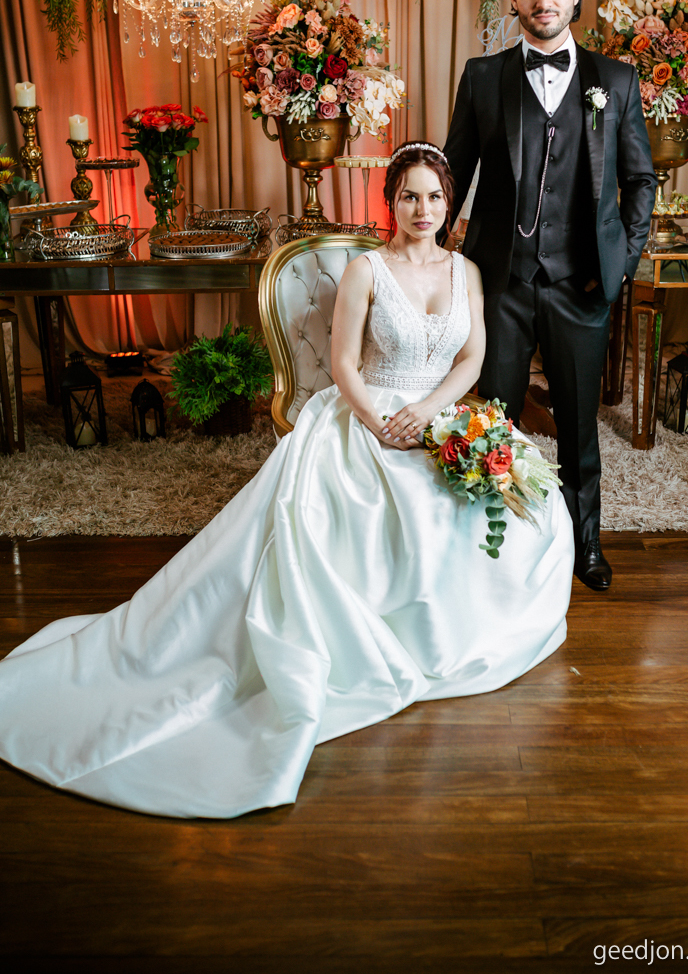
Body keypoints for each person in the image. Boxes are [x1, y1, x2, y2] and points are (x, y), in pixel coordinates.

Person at [0, 143, 574, 820]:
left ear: (449, 204)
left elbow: (472, 357)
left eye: (435, 197)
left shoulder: (466, 271)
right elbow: (343, 365)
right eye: (409, 196)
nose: (423, 210)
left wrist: (431, 412)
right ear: (391, 202)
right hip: (369, 416)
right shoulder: (365, 270)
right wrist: (382, 423)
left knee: (531, 505)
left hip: (440, 413)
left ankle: (468, 628)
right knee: (381, 509)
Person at [444, 0, 656, 593]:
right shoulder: (483, 77)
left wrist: (620, 263)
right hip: (499, 284)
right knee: (493, 425)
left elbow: (639, 180)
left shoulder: (615, 80)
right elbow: (452, 175)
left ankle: (584, 544)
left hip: (582, 285)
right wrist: (428, 254)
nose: (544, 1)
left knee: (579, 428)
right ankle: (494, 552)